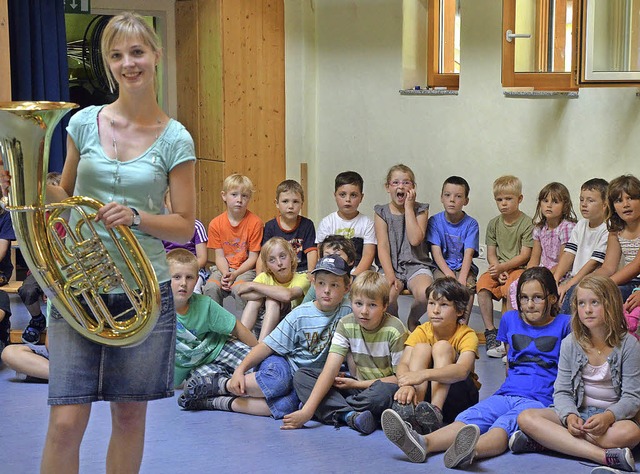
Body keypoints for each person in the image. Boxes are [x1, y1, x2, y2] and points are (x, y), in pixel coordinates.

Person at [0, 12, 197, 473]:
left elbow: (185, 226)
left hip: (144, 293)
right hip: (76, 291)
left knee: (128, 417)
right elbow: (66, 200)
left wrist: (136, 216)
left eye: (137, 52)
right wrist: (23, 184)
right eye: (117, 55)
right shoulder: (83, 123)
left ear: (155, 56)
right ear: (108, 64)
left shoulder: (175, 137)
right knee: (66, 421)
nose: (128, 63)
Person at [381, 267, 570, 468]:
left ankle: (472, 450)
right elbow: (511, 361)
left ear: (552, 298)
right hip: (506, 393)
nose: (529, 304)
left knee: (503, 426)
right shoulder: (509, 319)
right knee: (470, 418)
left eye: (537, 298)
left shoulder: (565, 324)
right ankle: (423, 442)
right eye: (524, 298)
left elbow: (571, 368)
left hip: (540, 399)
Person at [512, 275, 640, 473]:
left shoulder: (629, 345)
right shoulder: (570, 343)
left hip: (612, 420)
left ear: (611, 304)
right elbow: (562, 391)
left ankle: (549, 442)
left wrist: (608, 417)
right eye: (581, 303)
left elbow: (632, 398)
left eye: (594, 302)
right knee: (526, 417)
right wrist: (570, 416)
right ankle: (603, 456)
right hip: (579, 412)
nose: (587, 310)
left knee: (631, 433)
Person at [220, 255, 352, 419]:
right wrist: (240, 370)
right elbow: (266, 346)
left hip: (305, 377)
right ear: (313, 283)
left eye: (334, 285)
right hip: (282, 362)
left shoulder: (350, 311)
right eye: (321, 283)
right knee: (279, 381)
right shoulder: (300, 314)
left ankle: (218, 402)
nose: (326, 290)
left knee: (286, 407)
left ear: (347, 287)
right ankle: (220, 385)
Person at [283, 271, 408, 434]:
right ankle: (350, 415)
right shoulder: (346, 323)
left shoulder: (395, 329)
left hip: (380, 388)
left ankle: (333, 410)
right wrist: (307, 411)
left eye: (372, 305)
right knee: (302, 376)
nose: (364, 311)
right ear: (351, 302)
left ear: (384, 306)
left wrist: (356, 384)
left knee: (383, 393)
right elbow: (330, 369)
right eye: (358, 304)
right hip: (358, 389)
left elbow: (400, 379)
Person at [165, 249, 258, 407]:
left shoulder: (204, 304)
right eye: (176, 277)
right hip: (196, 366)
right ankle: (219, 397)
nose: (183, 283)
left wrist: (259, 355)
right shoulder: (155, 312)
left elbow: (237, 328)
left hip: (219, 347)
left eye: (189, 278)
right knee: (206, 384)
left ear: (196, 281)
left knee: (262, 372)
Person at [388, 277, 480, 435]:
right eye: (431, 303)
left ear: (459, 311)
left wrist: (421, 375)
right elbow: (403, 364)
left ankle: (435, 412)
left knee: (442, 347)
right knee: (421, 348)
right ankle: (418, 410)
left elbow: (462, 370)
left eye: (444, 305)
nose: (435, 310)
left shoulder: (467, 334)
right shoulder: (422, 330)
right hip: (428, 390)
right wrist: (407, 384)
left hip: (459, 394)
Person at [476, 175, 534, 358]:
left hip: (519, 268)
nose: (504, 204)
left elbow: (525, 255)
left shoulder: (527, 223)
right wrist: (497, 267)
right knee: (482, 285)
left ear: (520, 199)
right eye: (499, 200)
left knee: (510, 288)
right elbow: (491, 252)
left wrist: (503, 269)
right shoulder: (494, 224)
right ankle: (491, 331)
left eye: (508, 199)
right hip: (499, 266)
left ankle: (508, 336)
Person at [374, 164, 433, 330]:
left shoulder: (421, 210)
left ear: (413, 187)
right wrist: (390, 275)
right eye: (395, 183)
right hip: (390, 266)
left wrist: (408, 207)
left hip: (417, 265)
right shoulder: (381, 212)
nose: (401, 186)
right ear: (388, 187)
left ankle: (413, 319)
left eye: (406, 183)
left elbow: (415, 240)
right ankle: (397, 325)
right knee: (388, 296)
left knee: (425, 294)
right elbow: (383, 246)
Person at [507, 182, 577, 309]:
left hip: (560, 273)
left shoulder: (567, 227)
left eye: (555, 202)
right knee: (514, 287)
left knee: (545, 293)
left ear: (565, 206)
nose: (549, 205)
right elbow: (534, 259)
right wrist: (528, 276)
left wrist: (543, 276)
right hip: (541, 270)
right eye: (545, 201)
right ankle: (513, 324)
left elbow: (563, 262)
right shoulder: (539, 228)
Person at [204, 173, 263, 310]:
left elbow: (253, 258)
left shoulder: (256, 223)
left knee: (240, 289)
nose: (239, 200)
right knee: (210, 288)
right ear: (224, 196)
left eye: (244, 196)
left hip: (246, 269)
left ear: (249, 199)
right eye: (234, 195)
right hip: (224, 268)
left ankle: (245, 327)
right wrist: (226, 274)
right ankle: (215, 327)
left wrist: (235, 274)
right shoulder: (215, 224)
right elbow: (219, 256)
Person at [427, 176, 479, 322]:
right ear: (441, 197)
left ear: (465, 201)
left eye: (458, 196)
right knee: (443, 288)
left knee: (467, 287)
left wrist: (461, 279)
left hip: (464, 267)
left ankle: (462, 324)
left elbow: (468, 254)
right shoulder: (435, 221)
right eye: (447, 195)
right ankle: (442, 322)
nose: (452, 200)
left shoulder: (471, 224)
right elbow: (436, 253)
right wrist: (450, 275)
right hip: (442, 267)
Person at [19, 172, 64, 344]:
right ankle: (37, 319)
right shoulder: (37, 221)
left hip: (65, 270)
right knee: (27, 290)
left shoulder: (71, 218)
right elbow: (33, 251)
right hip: (41, 268)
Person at [237, 237, 311, 340]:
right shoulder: (265, 277)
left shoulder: (303, 278)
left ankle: (261, 345)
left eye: (282, 256)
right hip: (264, 320)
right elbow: (242, 292)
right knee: (254, 301)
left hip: (291, 325)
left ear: (291, 256)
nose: (279, 263)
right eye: (272, 260)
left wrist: (253, 285)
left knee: (272, 301)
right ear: (267, 265)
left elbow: (287, 295)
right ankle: (241, 339)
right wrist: (269, 293)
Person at [554, 178, 609, 314]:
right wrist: (555, 279)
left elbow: (593, 263)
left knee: (572, 293)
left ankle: (566, 333)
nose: (584, 204)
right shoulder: (581, 225)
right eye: (581, 199)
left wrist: (569, 284)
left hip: (592, 279)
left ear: (605, 205)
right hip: (575, 277)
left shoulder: (608, 229)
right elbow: (568, 254)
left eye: (590, 201)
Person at [316, 171, 377, 276]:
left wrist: (354, 277)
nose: (348, 200)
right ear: (335, 195)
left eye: (353, 195)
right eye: (342, 195)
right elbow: (320, 252)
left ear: (361, 198)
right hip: (331, 271)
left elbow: (368, 254)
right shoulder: (327, 223)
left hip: (360, 272)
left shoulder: (367, 223)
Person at [594, 175, 640, 305]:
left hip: (634, 283)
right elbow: (608, 268)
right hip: (629, 281)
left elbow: (637, 266)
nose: (625, 204)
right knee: (576, 290)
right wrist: (589, 281)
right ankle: (568, 325)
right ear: (613, 206)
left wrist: (604, 285)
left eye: (630, 198)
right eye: (619, 200)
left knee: (605, 296)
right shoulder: (616, 231)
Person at [261, 179, 317, 273]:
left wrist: (311, 274)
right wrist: (260, 277)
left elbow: (311, 252)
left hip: (301, 271)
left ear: (302, 204)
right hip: (277, 270)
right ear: (277, 204)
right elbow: (263, 255)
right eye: (285, 201)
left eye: (295, 202)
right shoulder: (270, 226)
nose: (290, 206)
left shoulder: (307, 225)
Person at [162, 188, 209, 294]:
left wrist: (186, 269)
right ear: (165, 203)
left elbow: (202, 258)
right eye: (173, 202)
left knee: (194, 291)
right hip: (168, 270)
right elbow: (158, 255)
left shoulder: (196, 226)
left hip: (193, 269)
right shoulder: (161, 227)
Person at [302, 234, 357, 305]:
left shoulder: (359, 284)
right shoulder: (318, 283)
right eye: (327, 255)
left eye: (337, 255)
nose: (332, 259)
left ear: (350, 260)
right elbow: (303, 308)